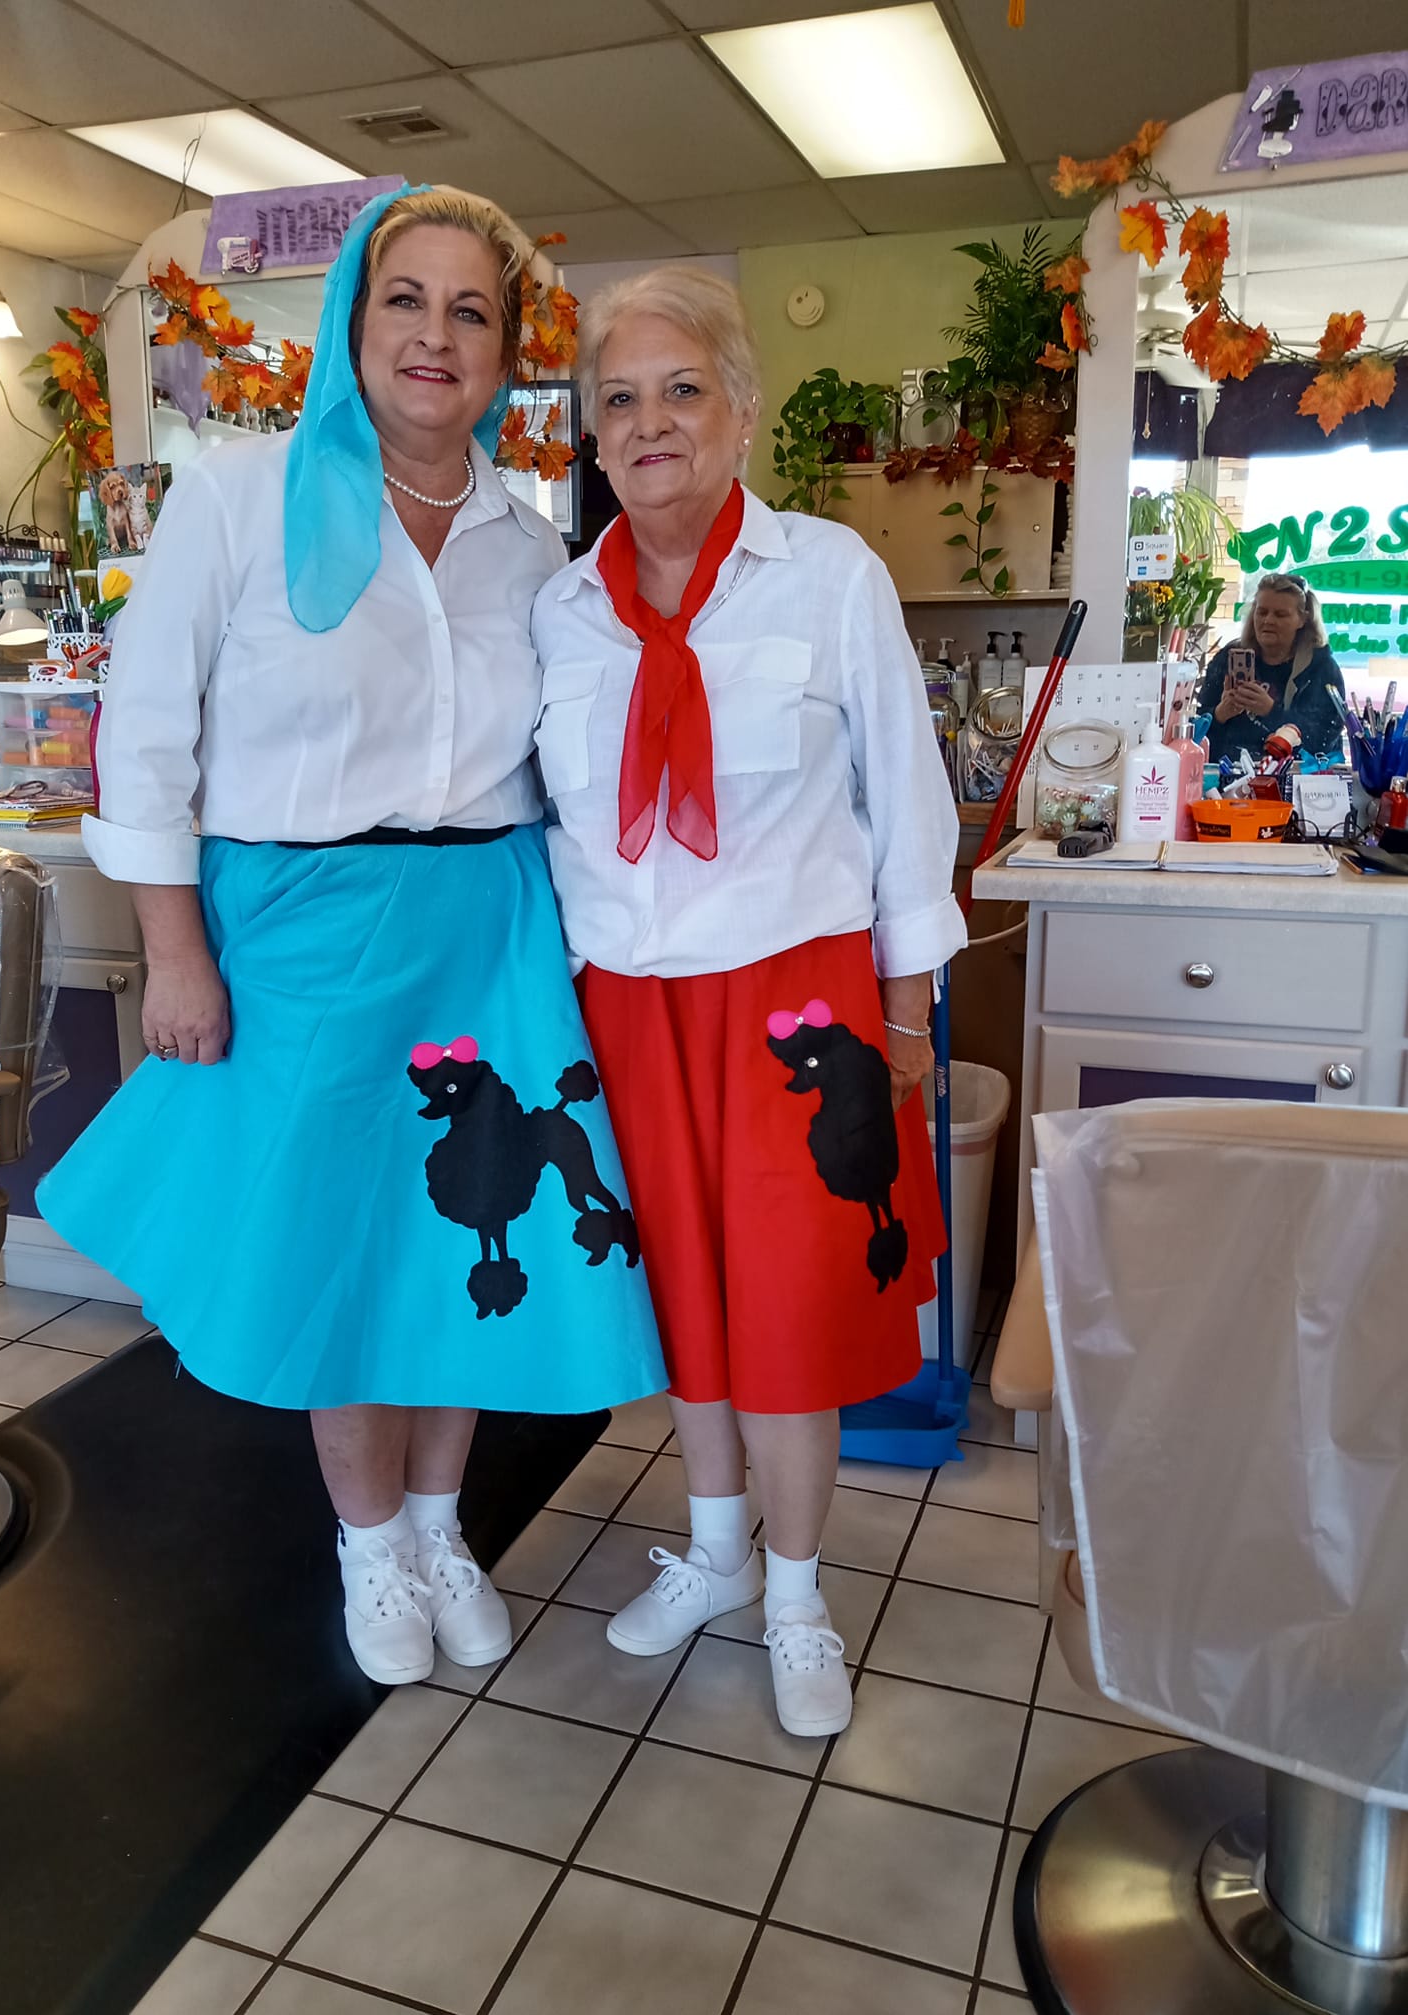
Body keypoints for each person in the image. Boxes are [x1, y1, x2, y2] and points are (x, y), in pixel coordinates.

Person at [40, 185, 663, 1690]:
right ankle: (368, 1535)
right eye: (406, 300)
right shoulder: (237, 497)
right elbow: (147, 739)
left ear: (505, 352)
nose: (435, 335)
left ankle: (440, 1521)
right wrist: (173, 949)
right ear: (352, 321)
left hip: (490, 923)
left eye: (470, 310)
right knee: (340, 1243)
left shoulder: (531, 546)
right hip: (302, 930)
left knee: (461, 1239)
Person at [531, 268, 966, 1739]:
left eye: (680, 389)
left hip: (797, 1008)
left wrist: (904, 1021)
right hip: (626, 1009)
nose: (648, 422)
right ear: (591, 434)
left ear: (738, 409)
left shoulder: (829, 576)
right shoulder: (558, 612)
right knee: (684, 1301)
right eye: (617, 398)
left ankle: (793, 1592)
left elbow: (906, 809)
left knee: (786, 1307)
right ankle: (714, 1551)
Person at [1196, 573, 1345, 763]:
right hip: (1228, 771)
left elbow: (1323, 739)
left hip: (1293, 774)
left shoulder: (1320, 668)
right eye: (1262, 612)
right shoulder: (1228, 658)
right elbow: (1196, 729)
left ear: (1303, 619)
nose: (1268, 620)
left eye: (1280, 614)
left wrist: (1271, 711)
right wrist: (1220, 714)